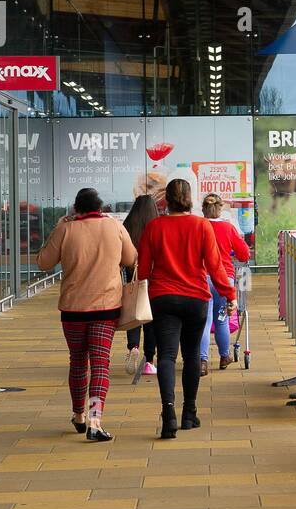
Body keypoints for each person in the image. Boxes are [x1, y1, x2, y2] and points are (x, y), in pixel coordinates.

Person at [137, 179, 236, 437]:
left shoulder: (154, 227)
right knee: (192, 355)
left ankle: (168, 414)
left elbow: (144, 269)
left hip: (163, 298)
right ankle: (189, 413)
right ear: (190, 198)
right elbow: (215, 267)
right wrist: (229, 294)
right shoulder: (202, 226)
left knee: (167, 356)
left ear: (166, 199)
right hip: (196, 298)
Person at [36, 187, 136, 442]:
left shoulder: (65, 229)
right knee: (100, 363)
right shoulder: (114, 226)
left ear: (76, 208)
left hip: (73, 309)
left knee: (78, 362)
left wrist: (57, 228)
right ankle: (95, 422)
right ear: (100, 207)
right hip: (106, 307)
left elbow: (43, 262)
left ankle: (78, 415)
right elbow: (131, 257)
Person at [198, 193, 250, 373]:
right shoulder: (228, 228)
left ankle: (202, 362)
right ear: (220, 209)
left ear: (203, 209)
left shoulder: (198, 226)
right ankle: (224, 356)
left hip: (201, 279)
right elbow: (244, 254)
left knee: (204, 322)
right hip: (224, 280)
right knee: (222, 320)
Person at [121, 195, 159, 377]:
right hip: (153, 281)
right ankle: (149, 361)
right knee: (150, 320)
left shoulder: (127, 226)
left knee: (134, 315)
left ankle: (133, 347)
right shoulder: (157, 225)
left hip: (133, 278)